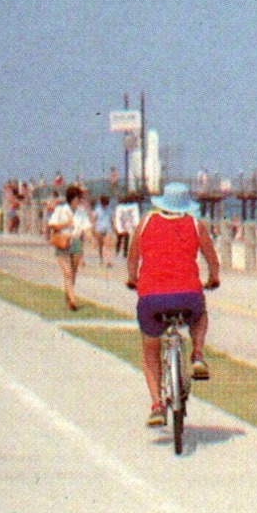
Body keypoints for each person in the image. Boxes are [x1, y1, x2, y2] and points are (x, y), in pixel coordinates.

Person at [126, 182, 221, 427]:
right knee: (200, 315)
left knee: (150, 347)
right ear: (185, 205)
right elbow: (212, 259)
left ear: (162, 204)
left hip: (151, 298)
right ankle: (197, 354)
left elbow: (133, 256)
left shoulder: (146, 221)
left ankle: (157, 404)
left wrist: (132, 279)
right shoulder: (195, 225)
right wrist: (213, 278)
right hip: (188, 296)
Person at [46, 185, 92, 311]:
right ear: (72, 198)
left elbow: (86, 227)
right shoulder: (61, 210)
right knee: (68, 272)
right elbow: (52, 225)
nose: (79, 201)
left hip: (76, 242)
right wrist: (66, 224)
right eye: (78, 198)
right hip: (63, 241)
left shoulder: (81, 212)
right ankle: (72, 300)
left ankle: (68, 298)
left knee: (73, 272)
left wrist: (89, 237)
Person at [112, 194, 140, 262]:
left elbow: (134, 217)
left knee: (125, 238)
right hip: (123, 224)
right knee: (121, 238)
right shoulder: (122, 207)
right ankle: (118, 250)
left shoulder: (131, 207)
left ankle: (123, 252)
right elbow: (118, 217)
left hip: (126, 225)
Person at [91, 194, 115, 268]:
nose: (105, 204)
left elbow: (111, 219)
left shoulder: (109, 209)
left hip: (107, 228)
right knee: (100, 245)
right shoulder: (97, 209)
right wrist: (93, 229)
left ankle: (108, 261)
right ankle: (101, 259)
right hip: (99, 229)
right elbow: (94, 219)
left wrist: (114, 227)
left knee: (108, 245)